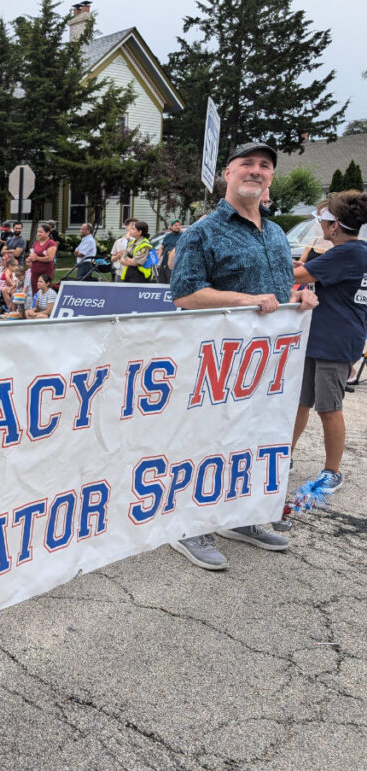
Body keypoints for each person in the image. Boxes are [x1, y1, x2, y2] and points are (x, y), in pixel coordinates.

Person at [169, 140, 318, 571]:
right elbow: (184, 295)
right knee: (205, 441)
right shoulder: (203, 231)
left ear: (271, 177)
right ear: (228, 174)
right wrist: (244, 298)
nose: (256, 171)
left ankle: (242, 518)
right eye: (246, 164)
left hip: (265, 366)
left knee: (254, 439)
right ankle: (187, 526)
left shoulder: (273, 233)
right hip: (214, 362)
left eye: (264, 166)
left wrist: (298, 298)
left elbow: (273, 292)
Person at [289, 191, 367, 494]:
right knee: (301, 401)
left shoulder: (346, 253)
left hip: (334, 341)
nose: (319, 226)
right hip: (324, 337)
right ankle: (286, 456)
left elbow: (299, 275)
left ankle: (332, 471)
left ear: (334, 226)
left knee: (328, 407)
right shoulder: (354, 252)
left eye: (322, 220)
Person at [26, 222, 57, 294]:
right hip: (35, 272)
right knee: (35, 291)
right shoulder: (36, 243)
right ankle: (36, 305)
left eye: (41, 232)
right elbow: (33, 255)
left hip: (45, 272)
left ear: (48, 233)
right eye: (38, 232)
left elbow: (50, 258)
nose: (38, 234)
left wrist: (37, 258)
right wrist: (30, 258)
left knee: (44, 291)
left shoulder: (51, 243)